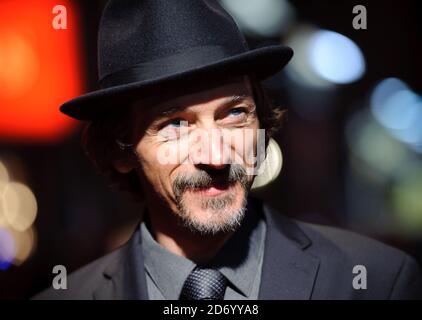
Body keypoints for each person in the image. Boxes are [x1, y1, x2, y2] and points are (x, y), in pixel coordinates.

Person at [35, 0, 422, 300]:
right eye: (175, 125)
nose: (217, 156)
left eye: (234, 114)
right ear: (121, 152)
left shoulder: (375, 281)